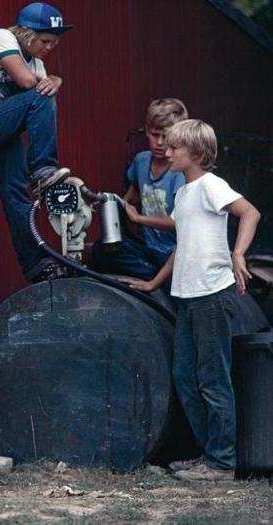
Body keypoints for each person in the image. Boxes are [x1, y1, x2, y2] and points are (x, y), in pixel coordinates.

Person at [128, 120, 261, 481]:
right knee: (186, 376)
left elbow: (250, 212)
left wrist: (238, 254)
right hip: (187, 295)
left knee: (212, 378)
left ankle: (221, 463)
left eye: (174, 148)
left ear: (197, 153)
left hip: (211, 295)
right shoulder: (185, 194)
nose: (166, 152)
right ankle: (208, 455)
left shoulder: (210, 186)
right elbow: (182, 243)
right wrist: (153, 282)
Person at [0, 2, 73, 282]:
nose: (49, 48)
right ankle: (44, 169)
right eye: (45, 41)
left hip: (2, 132)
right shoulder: (2, 38)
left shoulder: (37, 63)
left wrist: (54, 79)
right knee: (41, 95)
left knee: (17, 194)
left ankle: (35, 265)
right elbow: (27, 82)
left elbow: (41, 86)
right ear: (25, 33)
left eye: (54, 43)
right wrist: (52, 82)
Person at [92, 99, 188, 281]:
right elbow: (131, 196)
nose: (159, 142)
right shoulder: (141, 161)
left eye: (166, 136)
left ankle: (161, 277)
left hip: (172, 252)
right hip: (147, 246)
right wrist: (112, 204)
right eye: (154, 134)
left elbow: (180, 223)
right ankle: (154, 275)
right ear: (146, 130)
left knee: (172, 277)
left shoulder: (179, 171)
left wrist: (139, 218)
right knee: (100, 250)